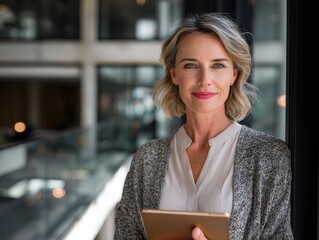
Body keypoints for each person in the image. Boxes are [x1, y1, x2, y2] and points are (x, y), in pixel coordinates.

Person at [114, 12, 294, 240]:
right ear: (174, 75)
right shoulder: (147, 159)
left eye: (218, 65)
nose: (204, 79)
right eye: (190, 65)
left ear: (234, 75)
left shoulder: (268, 157)